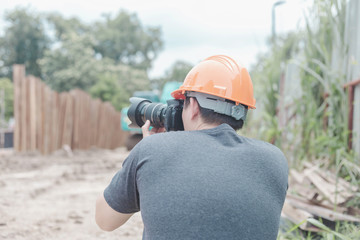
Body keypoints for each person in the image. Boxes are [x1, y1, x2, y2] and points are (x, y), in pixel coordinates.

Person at [95, 55, 288, 240]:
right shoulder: (275, 160)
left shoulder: (151, 149)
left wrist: (148, 151)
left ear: (193, 106)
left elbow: (104, 220)